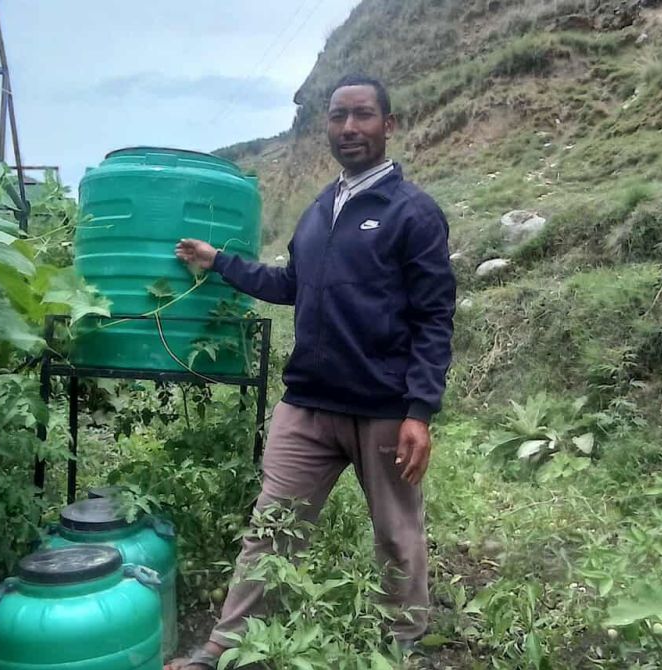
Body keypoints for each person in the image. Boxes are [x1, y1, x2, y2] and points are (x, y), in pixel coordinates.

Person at [166, 74, 457, 669]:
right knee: (272, 527)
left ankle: (401, 645)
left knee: (396, 534)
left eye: (363, 115)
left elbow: (434, 317)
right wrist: (220, 262)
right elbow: (289, 285)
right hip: (307, 405)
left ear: (388, 125)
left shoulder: (413, 213)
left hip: (382, 407)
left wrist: (419, 410)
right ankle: (227, 646)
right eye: (338, 116)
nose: (349, 127)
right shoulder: (320, 210)